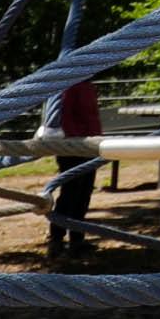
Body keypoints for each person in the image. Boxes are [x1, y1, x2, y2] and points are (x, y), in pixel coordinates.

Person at [44, 74, 103, 265]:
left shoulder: (87, 84)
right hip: (73, 147)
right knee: (70, 194)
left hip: (90, 146)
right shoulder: (68, 85)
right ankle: (56, 241)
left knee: (84, 193)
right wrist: (76, 143)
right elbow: (65, 116)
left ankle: (77, 240)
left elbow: (91, 116)